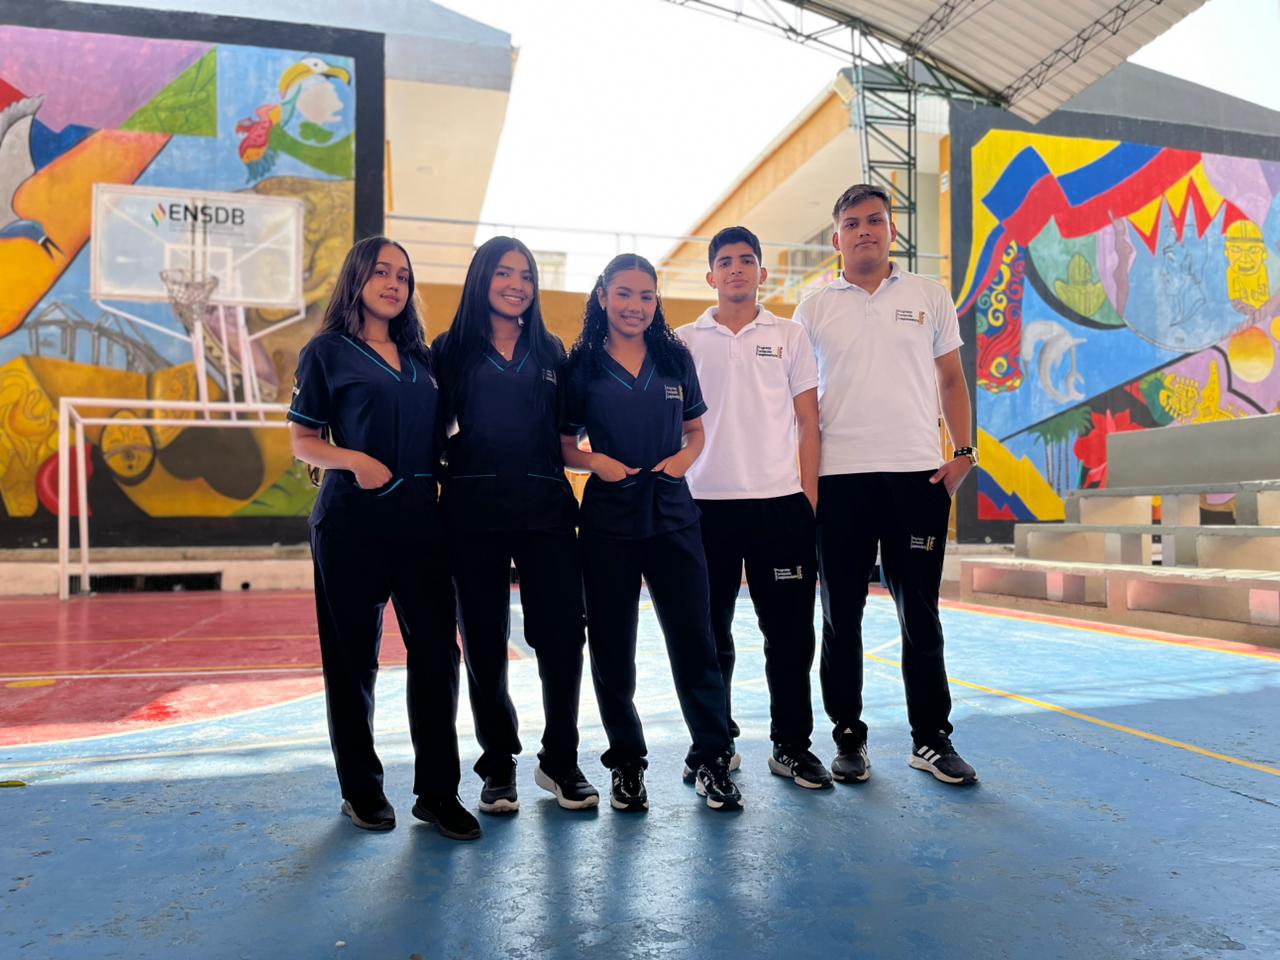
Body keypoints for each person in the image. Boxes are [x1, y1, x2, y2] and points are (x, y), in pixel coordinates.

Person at [288, 236, 481, 839]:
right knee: (352, 662)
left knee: (438, 655)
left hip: (422, 525)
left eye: (403, 275)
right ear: (357, 279)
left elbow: (444, 431)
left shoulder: (423, 358)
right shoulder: (326, 353)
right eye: (381, 273)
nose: (394, 284)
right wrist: (356, 461)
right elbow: (303, 441)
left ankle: (438, 793)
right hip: (352, 524)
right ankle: (361, 791)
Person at [793, 184, 979, 786]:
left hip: (917, 479)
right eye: (852, 223)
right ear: (837, 238)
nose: (864, 230)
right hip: (839, 482)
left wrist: (964, 454)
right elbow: (799, 406)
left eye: (875, 220)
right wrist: (804, 484)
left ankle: (931, 739)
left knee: (919, 614)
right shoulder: (811, 310)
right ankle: (848, 737)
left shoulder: (929, 295)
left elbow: (951, 379)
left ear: (892, 230)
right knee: (840, 617)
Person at [560, 253, 743, 812]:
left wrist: (683, 461)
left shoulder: (674, 356)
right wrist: (596, 462)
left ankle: (712, 758)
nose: (634, 306)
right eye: (623, 293)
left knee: (696, 641)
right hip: (609, 522)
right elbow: (564, 445)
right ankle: (627, 764)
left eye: (645, 295)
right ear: (602, 297)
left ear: (656, 301)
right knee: (613, 647)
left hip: (673, 517)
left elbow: (696, 430)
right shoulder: (582, 364)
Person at [432, 236, 598, 814]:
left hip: (545, 511)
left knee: (562, 638)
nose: (516, 285)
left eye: (526, 275)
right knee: (483, 641)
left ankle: (560, 760)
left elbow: (568, 435)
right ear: (482, 278)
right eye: (504, 273)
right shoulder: (448, 350)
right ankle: (497, 763)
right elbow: (431, 433)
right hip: (472, 514)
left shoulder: (551, 351)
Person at [675, 225, 830, 790]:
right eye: (725, 261)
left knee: (789, 637)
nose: (736, 268)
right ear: (710, 276)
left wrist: (808, 499)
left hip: (779, 508)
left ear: (763, 273)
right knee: (708, 637)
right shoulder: (683, 341)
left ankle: (791, 746)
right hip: (703, 509)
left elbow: (809, 421)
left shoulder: (790, 335)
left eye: (746, 260)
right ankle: (714, 744)